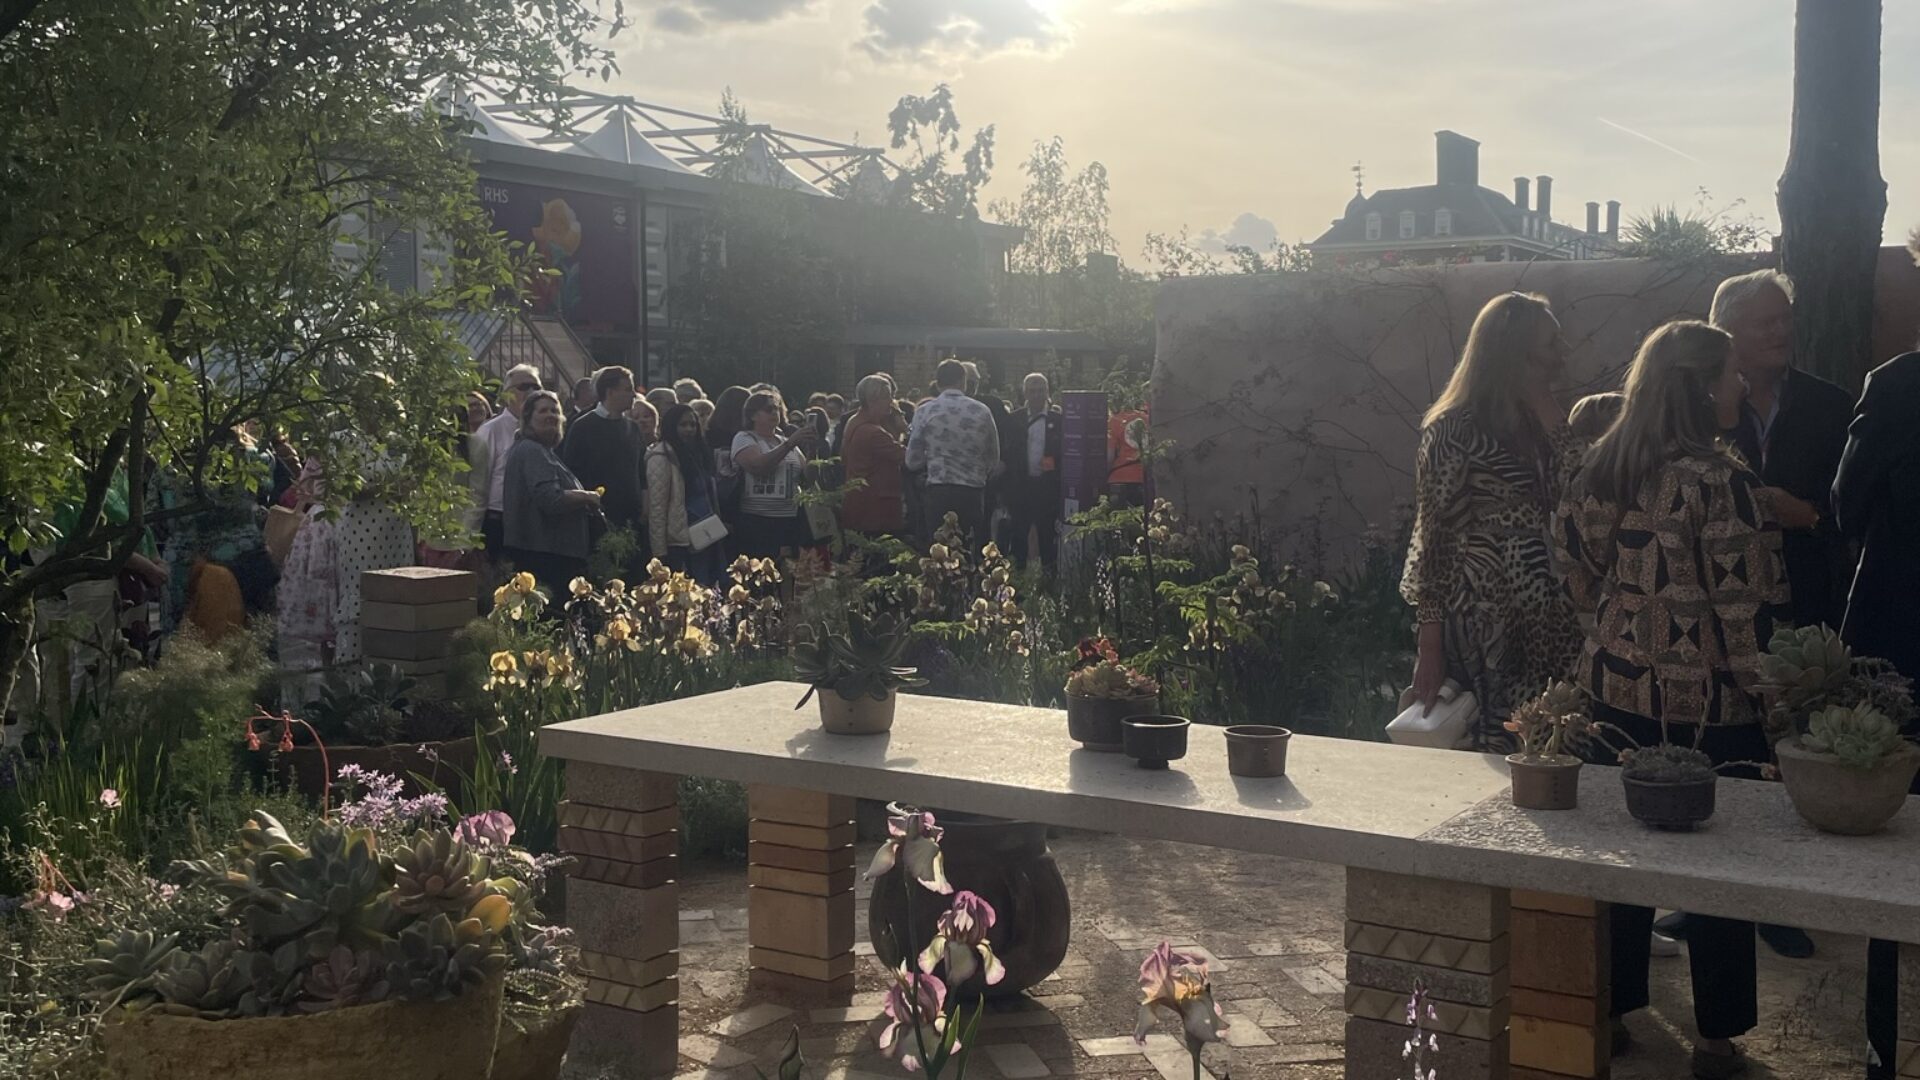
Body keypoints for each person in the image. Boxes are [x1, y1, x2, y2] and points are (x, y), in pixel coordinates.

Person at [1557, 320, 1788, 1080]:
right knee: (1721, 872)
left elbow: (1575, 567)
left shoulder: (1600, 467)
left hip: (1612, 695)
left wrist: (1617, 634)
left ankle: (1615, 1013)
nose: (1741, 388)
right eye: (1730, 376)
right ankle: (1717, 1042)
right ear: (1699, 387)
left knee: (1616, 862)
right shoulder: (1722, 483)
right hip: (1710, 713)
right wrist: (1778, 714)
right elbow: (1747, 613)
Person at [1401, 291, 1584, 748]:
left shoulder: (1538, 422)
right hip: (1485, 607)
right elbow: (1434, 537)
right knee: (1494, 738)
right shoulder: (1451, 428)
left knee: (1555, 736)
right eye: (1551, 344)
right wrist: (1430, 645)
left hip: (1548, 605)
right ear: (1514, 352)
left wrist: (1548, 414)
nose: (1563, 354)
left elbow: (1582, 498)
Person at [1842, 343, 1920, 1080]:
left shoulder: (1899, 385)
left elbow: (1849, 501)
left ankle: (1886, 1045)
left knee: (1895, 844)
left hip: (1903, 640)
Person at [1711, 270, 1854, 632]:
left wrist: (1811, 517)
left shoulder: (1831, 406)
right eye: (1765, 323)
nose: (1782, 331)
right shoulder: (1699, 412)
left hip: (1811, 611)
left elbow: (1860, 511)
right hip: (1722, 613)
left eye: (1785, 319)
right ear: (1727, 332)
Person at [503, 391, 601, 595]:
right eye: (543, 410)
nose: (551, 415)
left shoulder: (544, 451)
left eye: (555, 411)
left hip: (550, 552)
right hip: (546, 555)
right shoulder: (532, 451)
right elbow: (550, 499)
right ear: (528, 418)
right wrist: (587, 496)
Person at [905, 358, 1000, 547]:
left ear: (937, 382)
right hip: (972, 491)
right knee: (969, 548)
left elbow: (912, 459)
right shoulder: (981, 411)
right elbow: (993, 455)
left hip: (938, 490)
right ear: (963, 381)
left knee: (939, 552)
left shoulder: (925, 411)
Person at [561, 366, 647, 561]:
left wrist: (645, 505)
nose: (633, 394)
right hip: (597, 518)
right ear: (610, 392)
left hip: (631, 518)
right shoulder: (583, 426)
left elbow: (641, 471)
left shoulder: (632, 428)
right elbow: (571, 472)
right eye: (627, 389)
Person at [731, 391, 814, 558]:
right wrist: (790, 443)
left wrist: (813, 450)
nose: (774, 413)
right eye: (768, 409)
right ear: (753, 415)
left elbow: (808, 477)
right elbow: (757, 466)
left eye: (777, 409)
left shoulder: (784, 441)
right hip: (758, 521)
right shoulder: (745, 438)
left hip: (790, 519)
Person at [648, 404, 723, 585]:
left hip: (707, 532)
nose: (689, 429)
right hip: (680, 541)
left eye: (693, 424)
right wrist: (660, 553)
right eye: (683, 425)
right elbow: (657, 506)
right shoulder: (662, 455)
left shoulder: (699, 453)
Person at [478, 365, 542, 562]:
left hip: (535, 523)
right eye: (524, 386)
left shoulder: (546, 430)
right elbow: (477, 486)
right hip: (498, 523)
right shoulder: (491, 431)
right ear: (506, 395)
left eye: (536, 387)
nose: (531, 392)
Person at [1003, 373, 1064, 570]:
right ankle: (1017, 583)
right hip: (1021, 486)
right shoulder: (1013, 420)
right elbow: (1007, 454)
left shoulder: (1059, 420)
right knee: (1019, 535)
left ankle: (1049, 581)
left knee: (1048, 536)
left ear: (1047, 392)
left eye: (1040, 391)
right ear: (1025, 393)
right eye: (1032, 391)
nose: (1036, 395)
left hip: (1047, 487)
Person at [841, 374, 908, 536]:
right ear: (873, 399)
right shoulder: (873, 433)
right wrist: (904, 429)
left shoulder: (854, 421)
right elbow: (907, 456)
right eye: (888, 397)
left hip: (858, 503)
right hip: (876, 508)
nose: (892, 402)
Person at [1108, 402, 1149, 508]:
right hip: (1144, 478)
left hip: (1119, 478)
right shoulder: (1148, 419)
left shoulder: (1114, 421)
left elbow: (1109, 456)